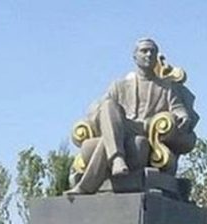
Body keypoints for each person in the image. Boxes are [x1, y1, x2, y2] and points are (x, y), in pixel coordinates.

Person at [67, 37, 198, 194]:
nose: (148, 54)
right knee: (107, 105)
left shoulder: (166, 88)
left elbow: (178, 109)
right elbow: (96, 110)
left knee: (131, 143)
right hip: (122, 128)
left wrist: (184, 117)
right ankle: (117, 158)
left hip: (145, 131)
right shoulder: (119, 85)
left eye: (152, 51)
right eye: (144, 51)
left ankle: (87, 185)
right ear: (134, 56)